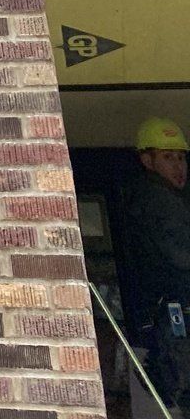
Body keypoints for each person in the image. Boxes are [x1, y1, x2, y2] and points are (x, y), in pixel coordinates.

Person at [121, 117, 190, 412]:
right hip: (174, 315)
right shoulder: (159, 201)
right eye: (168, 158)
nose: (179, 166)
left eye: (181, 158)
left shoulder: (147, 197)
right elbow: (181, 256)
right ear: (147, 161)